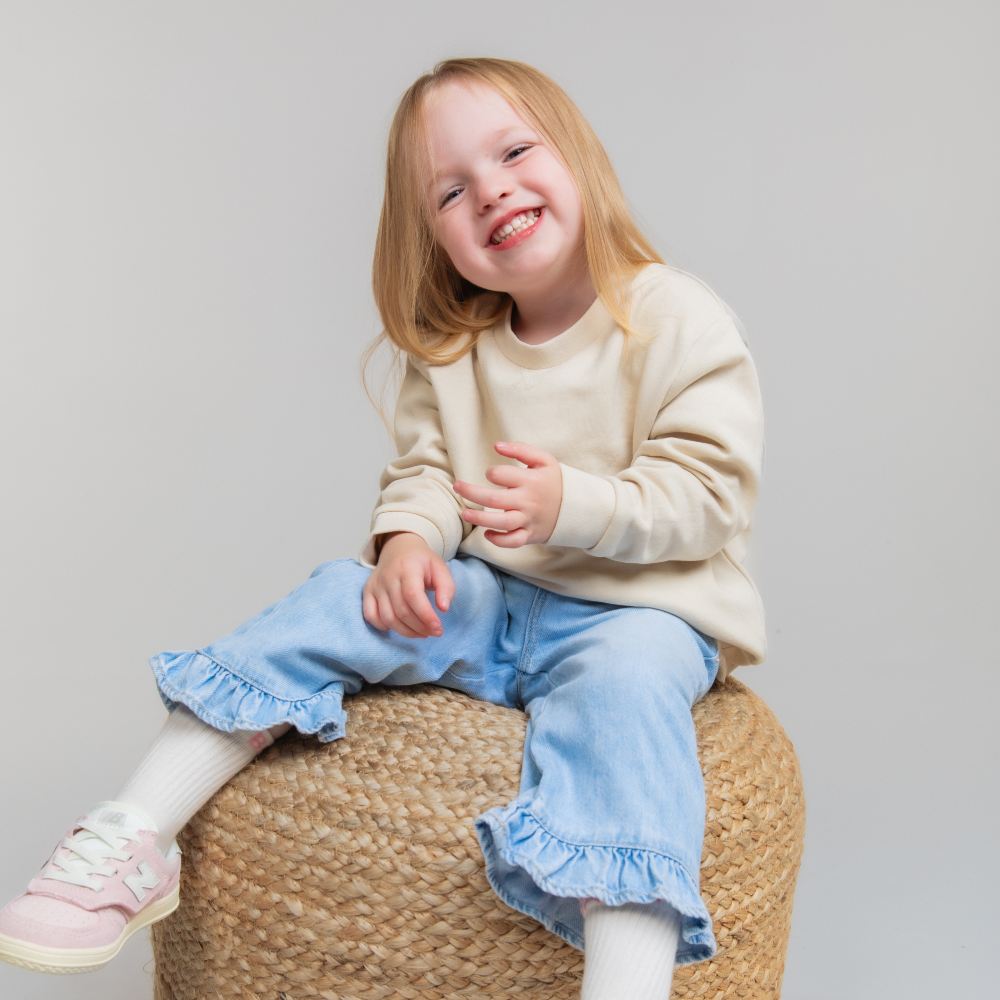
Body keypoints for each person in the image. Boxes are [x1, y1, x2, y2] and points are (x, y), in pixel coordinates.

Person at [0, 57, 766, 999]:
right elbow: (427, 476)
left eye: (516, 152)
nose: (493, 191)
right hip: (492, 601)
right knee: (334, 600)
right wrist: (408, 542)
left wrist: (577, 505)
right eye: (451, 191)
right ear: (434, 237)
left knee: (626, 700)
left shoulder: (673, 316)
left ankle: (627, 983)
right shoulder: (457, 348)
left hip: (639, 613)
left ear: (580, 158)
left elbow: (709, 491)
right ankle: (131, 835)